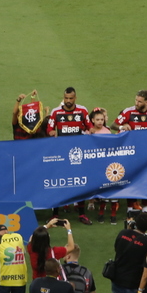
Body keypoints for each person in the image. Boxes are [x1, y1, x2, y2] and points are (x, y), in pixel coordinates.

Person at [47, 87, 93, 223]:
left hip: (77, 154)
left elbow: (89, 126)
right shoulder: (56, 112)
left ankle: (81, 213)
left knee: (80, 182)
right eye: (66, 98)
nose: (68, 101)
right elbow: (49, 128)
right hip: (61, 154)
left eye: (71, 98)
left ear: (75, 98)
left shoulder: (82, 111)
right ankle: (55, 213)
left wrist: (90, 131)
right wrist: (51, 132)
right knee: (58, 182)